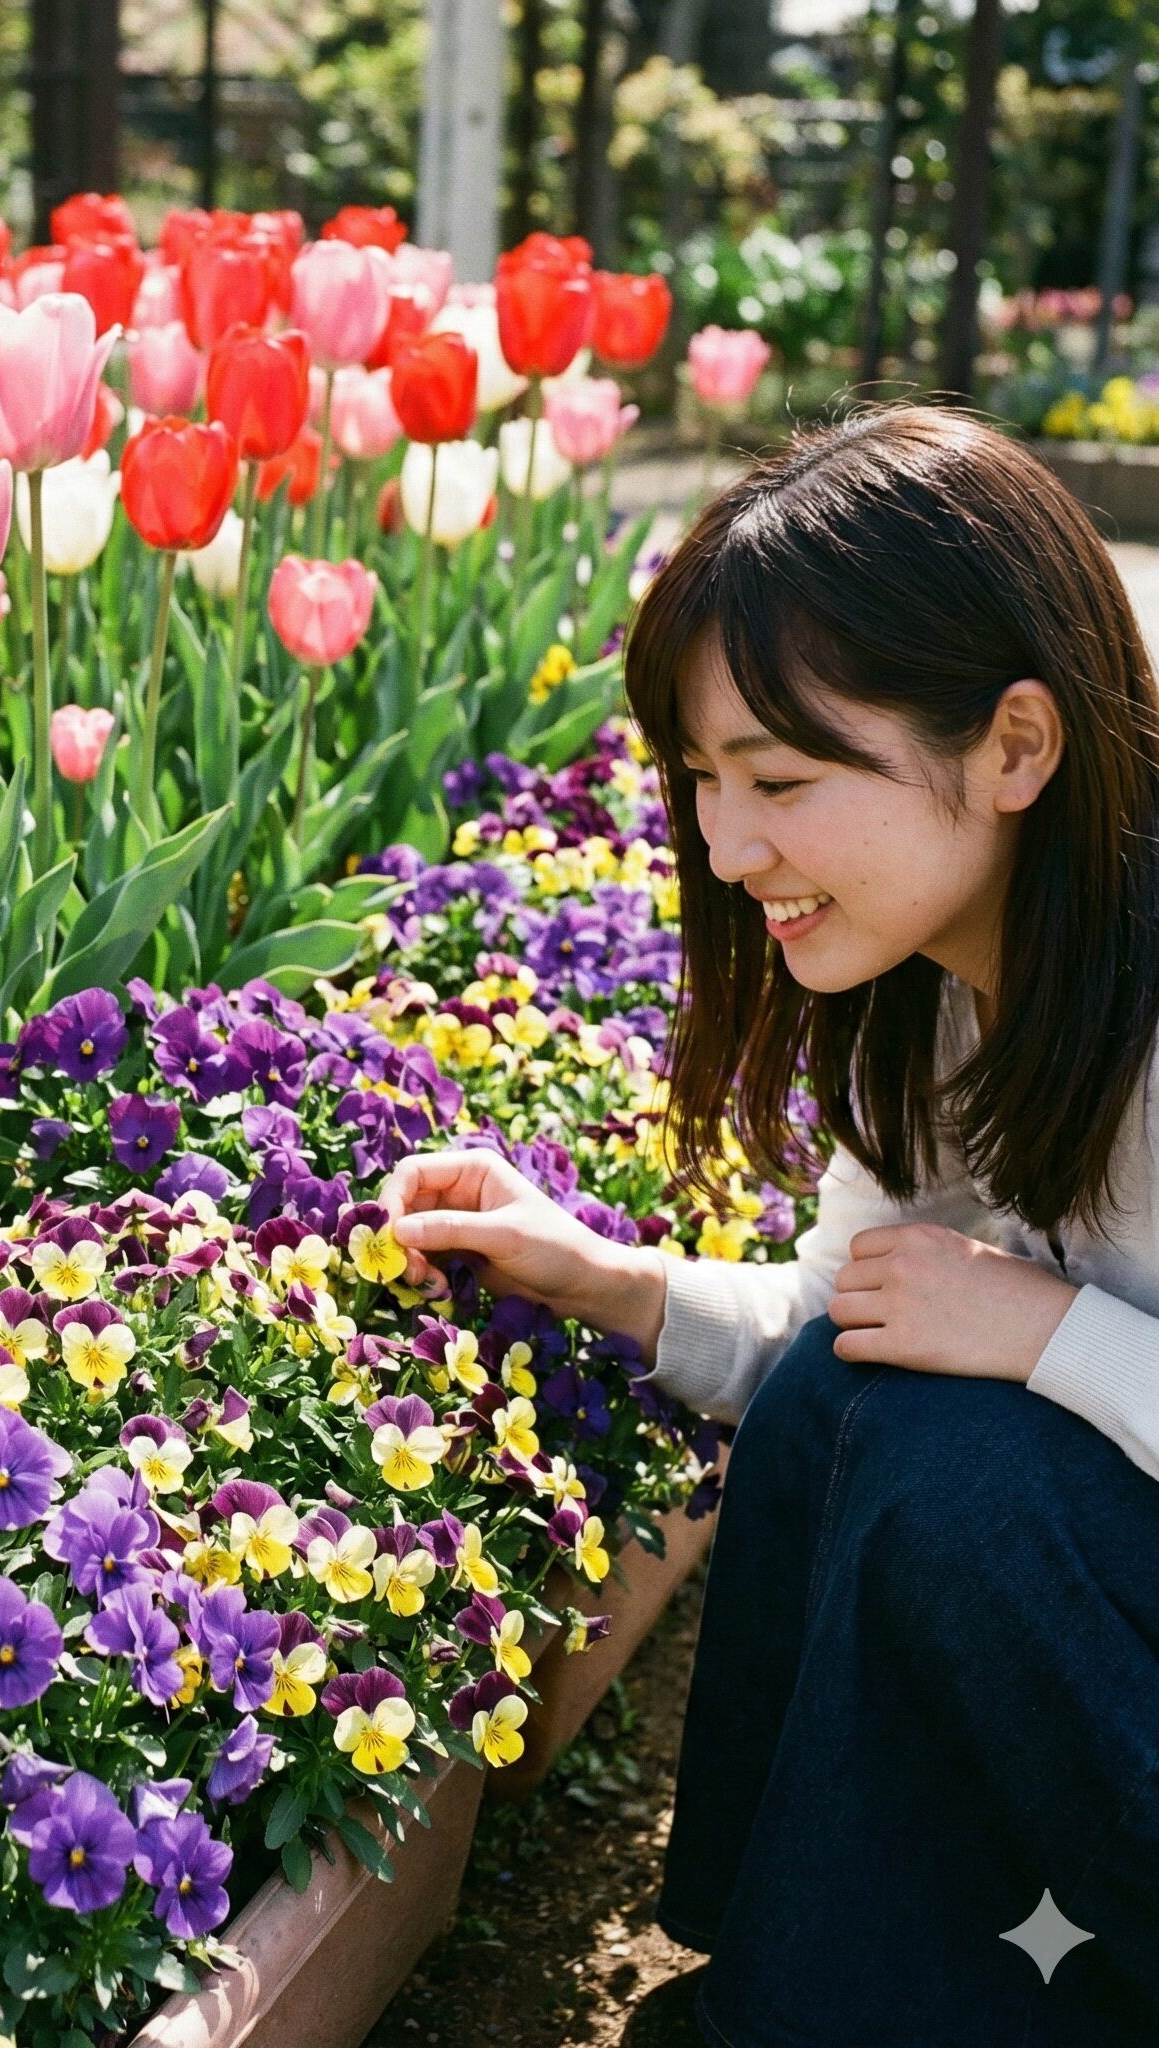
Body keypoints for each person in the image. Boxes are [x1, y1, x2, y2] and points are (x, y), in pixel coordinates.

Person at [382, 407, 1159, 2046]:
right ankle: (791, 1988)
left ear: (1018, 746)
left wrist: (1046, 1336)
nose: (730, 852)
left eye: (784, 779)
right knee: (840, 1397)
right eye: (706, 783)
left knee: (965, 1481)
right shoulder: (948, 996)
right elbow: (834, 1321)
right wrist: (590, 1272)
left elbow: (997, 1356)